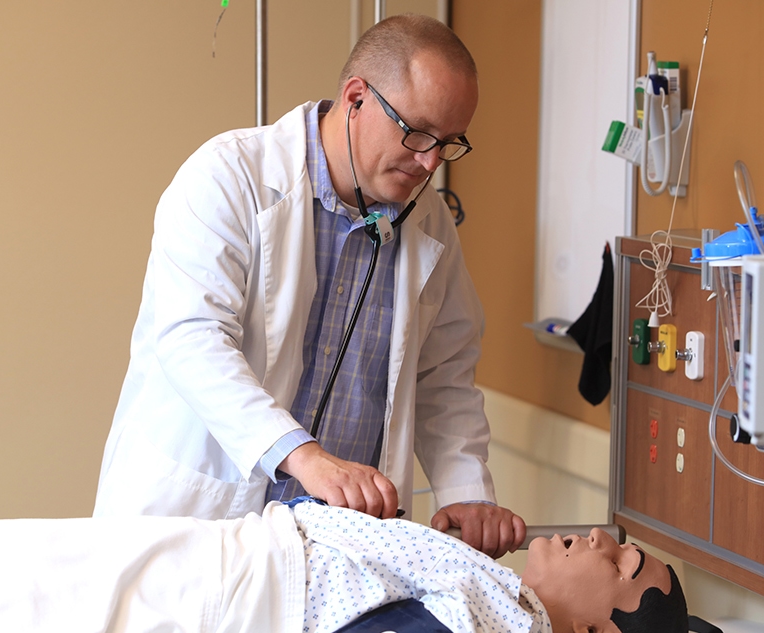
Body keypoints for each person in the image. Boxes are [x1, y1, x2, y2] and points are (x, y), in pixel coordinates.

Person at [93, 13, 524, 558]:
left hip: (339, 550)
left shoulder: (429, 222)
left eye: (449, 143)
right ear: (356, 97)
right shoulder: (229, 178)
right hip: (201, 524)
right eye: (416, 133)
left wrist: (466, 494)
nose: (430, 162)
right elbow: (192, 339)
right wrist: (302, 455)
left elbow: (444, 375)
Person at [0, 500, 689, 633]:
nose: (600, 534)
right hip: (241, 561)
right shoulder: (494, 595)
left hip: (237, 595)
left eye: (621, 564)